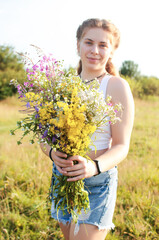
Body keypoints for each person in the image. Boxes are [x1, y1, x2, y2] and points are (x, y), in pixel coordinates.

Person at [40, 18, 134, 240]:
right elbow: (44, 138)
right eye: (89, 42)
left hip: (97, 181)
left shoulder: (116, 86)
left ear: (112, 51)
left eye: (103, 45)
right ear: (78, 45)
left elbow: (122, 146)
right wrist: (53, 154)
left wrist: (94, 167)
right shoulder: (61, 86)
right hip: (63, 178)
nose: (95, 50)